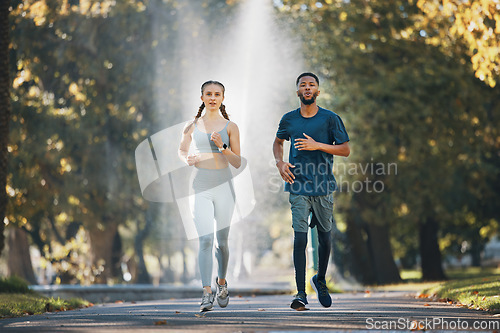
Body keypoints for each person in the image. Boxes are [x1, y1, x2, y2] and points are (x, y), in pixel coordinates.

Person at [273, 72, 350, 310]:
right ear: (297, 91)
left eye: (312, 85)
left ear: (317, 91)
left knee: (325, 237)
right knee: (300, 237)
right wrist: (280, 163)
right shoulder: (288, 119)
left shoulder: (330, 119)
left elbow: (345, 149)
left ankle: (320, 279)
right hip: (298, 185)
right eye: (303, 85)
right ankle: (300, 293)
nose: (307, 88)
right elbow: (277, 143)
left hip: (323, 185)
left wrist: (318, 145)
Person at [178, 80, 241, 312]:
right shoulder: (191, 125)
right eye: (208, 94)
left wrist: (222, 146)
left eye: (217, 94)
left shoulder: (231, 126)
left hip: (225, 188)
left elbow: (236, 162)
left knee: (221, 243)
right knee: (205, 240)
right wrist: (187, 159)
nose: (213, 97)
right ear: (202, 97)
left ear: (223, 98)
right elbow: (182, 150)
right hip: (200, 188)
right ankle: (206, 293)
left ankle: (221, 284)